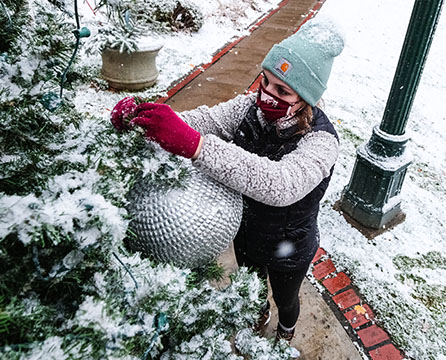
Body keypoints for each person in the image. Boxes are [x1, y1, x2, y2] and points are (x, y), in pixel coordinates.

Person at [111, 18, 344, 342]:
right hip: (245, 233)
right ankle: (258, 309)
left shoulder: (321, 141)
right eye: (265, 81)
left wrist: (197, 147)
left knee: (286, 298)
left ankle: (286, 327)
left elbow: (279, 184)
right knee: (251, 282)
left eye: (282, 90)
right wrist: (150, 119)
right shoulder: (251, 108)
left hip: (289, 247)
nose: (266, 95)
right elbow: (206, 120)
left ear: (306, 97)